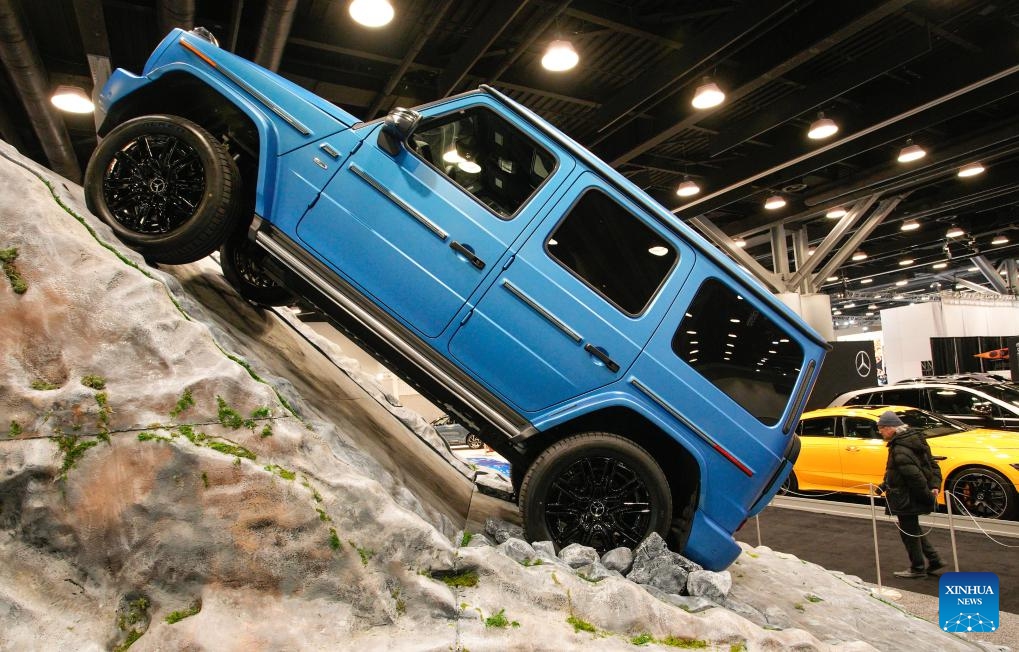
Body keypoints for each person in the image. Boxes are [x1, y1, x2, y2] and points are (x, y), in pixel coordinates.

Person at [875, 410, 946, 579]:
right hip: (908, 494)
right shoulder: (914, 440)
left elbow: (914, 477)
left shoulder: (899, 448)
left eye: (881, 428)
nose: (880, 432)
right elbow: (931, 465)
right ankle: (934, 560)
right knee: (913, 529)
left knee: (909, 534)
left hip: (905, 497)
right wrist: (884, 486)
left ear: (890, 428)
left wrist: (928, 498)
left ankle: (917, 568)